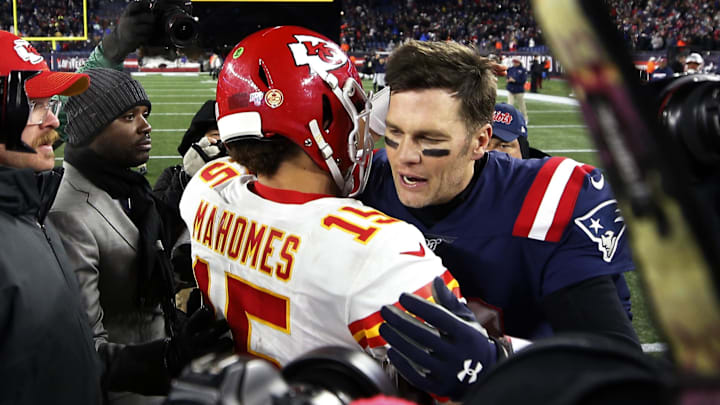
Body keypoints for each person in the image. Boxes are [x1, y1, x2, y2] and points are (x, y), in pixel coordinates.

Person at [177, 26, 501, 377]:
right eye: (354, 109)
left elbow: (245, 150)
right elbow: (470, 380)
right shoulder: (379, 252)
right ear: (322, 126)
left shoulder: (206, 190)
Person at [358, 39, 640, 396]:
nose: (404, 157)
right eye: (394, 134)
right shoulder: (370, 181)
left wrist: (498, 364)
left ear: (480, 142)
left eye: (429, 138)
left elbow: (620, 375)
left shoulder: (547, 200)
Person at [49, 68, 231, 404]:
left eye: (144, 115)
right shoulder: (68, 214)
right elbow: (85, 350)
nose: (146, 126)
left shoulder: (128, 189)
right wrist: (167, 358)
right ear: (92, 128)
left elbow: (143, 279)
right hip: (125, 394)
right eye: (129, 117)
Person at [0, 30, 102, 404]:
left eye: (52, 105)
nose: (54, 122)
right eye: (36, 105)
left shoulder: (31, 211)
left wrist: (151, 360)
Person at [506, 56, 529, 124]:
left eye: (516, 61)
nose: (514, 63)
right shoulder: (510, 69)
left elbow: (523, 80)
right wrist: (508, 80)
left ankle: (525, 118)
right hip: (511, 89)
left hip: (519, 90)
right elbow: (507, 76)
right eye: (514, 61)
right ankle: (508, 119)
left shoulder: (523, 70)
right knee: (509, 105)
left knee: (521, 105)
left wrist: (515, 80)